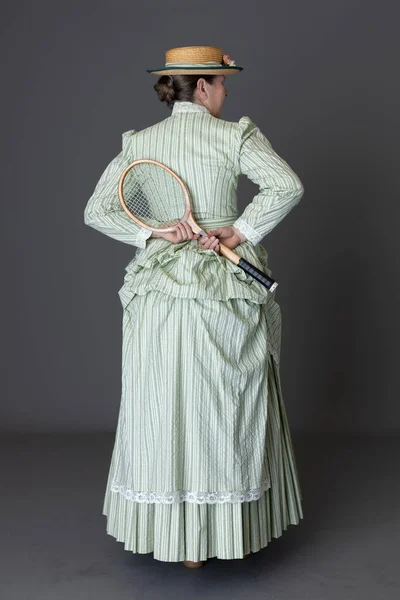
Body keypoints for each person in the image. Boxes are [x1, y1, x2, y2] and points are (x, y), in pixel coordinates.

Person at [84, 45, 305, 568]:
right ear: (202, 86)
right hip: (221, 287)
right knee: (226, 405)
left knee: (162, 403)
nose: (227, 93)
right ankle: (220, 533)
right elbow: (286, 186)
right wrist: (241, 230)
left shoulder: (142, 143)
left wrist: (152, 232)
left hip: (160, 289)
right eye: (223, 83)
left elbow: (97, 210)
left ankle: (181, 542)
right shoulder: (234, 136)